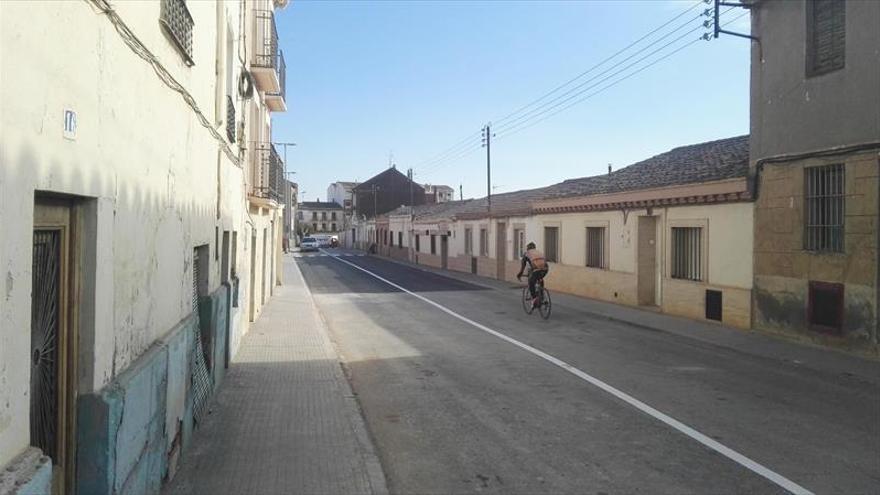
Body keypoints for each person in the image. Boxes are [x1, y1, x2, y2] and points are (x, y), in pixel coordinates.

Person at [516, 242, 549, 309]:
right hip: (545, 268)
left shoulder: (527, 253)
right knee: (540, 278)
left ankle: (534, 299)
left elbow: (523, 265)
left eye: (527, 248)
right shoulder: (538, 252)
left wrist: (520, 273)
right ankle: (541, 295)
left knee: (531, 282)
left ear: (528, 248)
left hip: (537, 268)